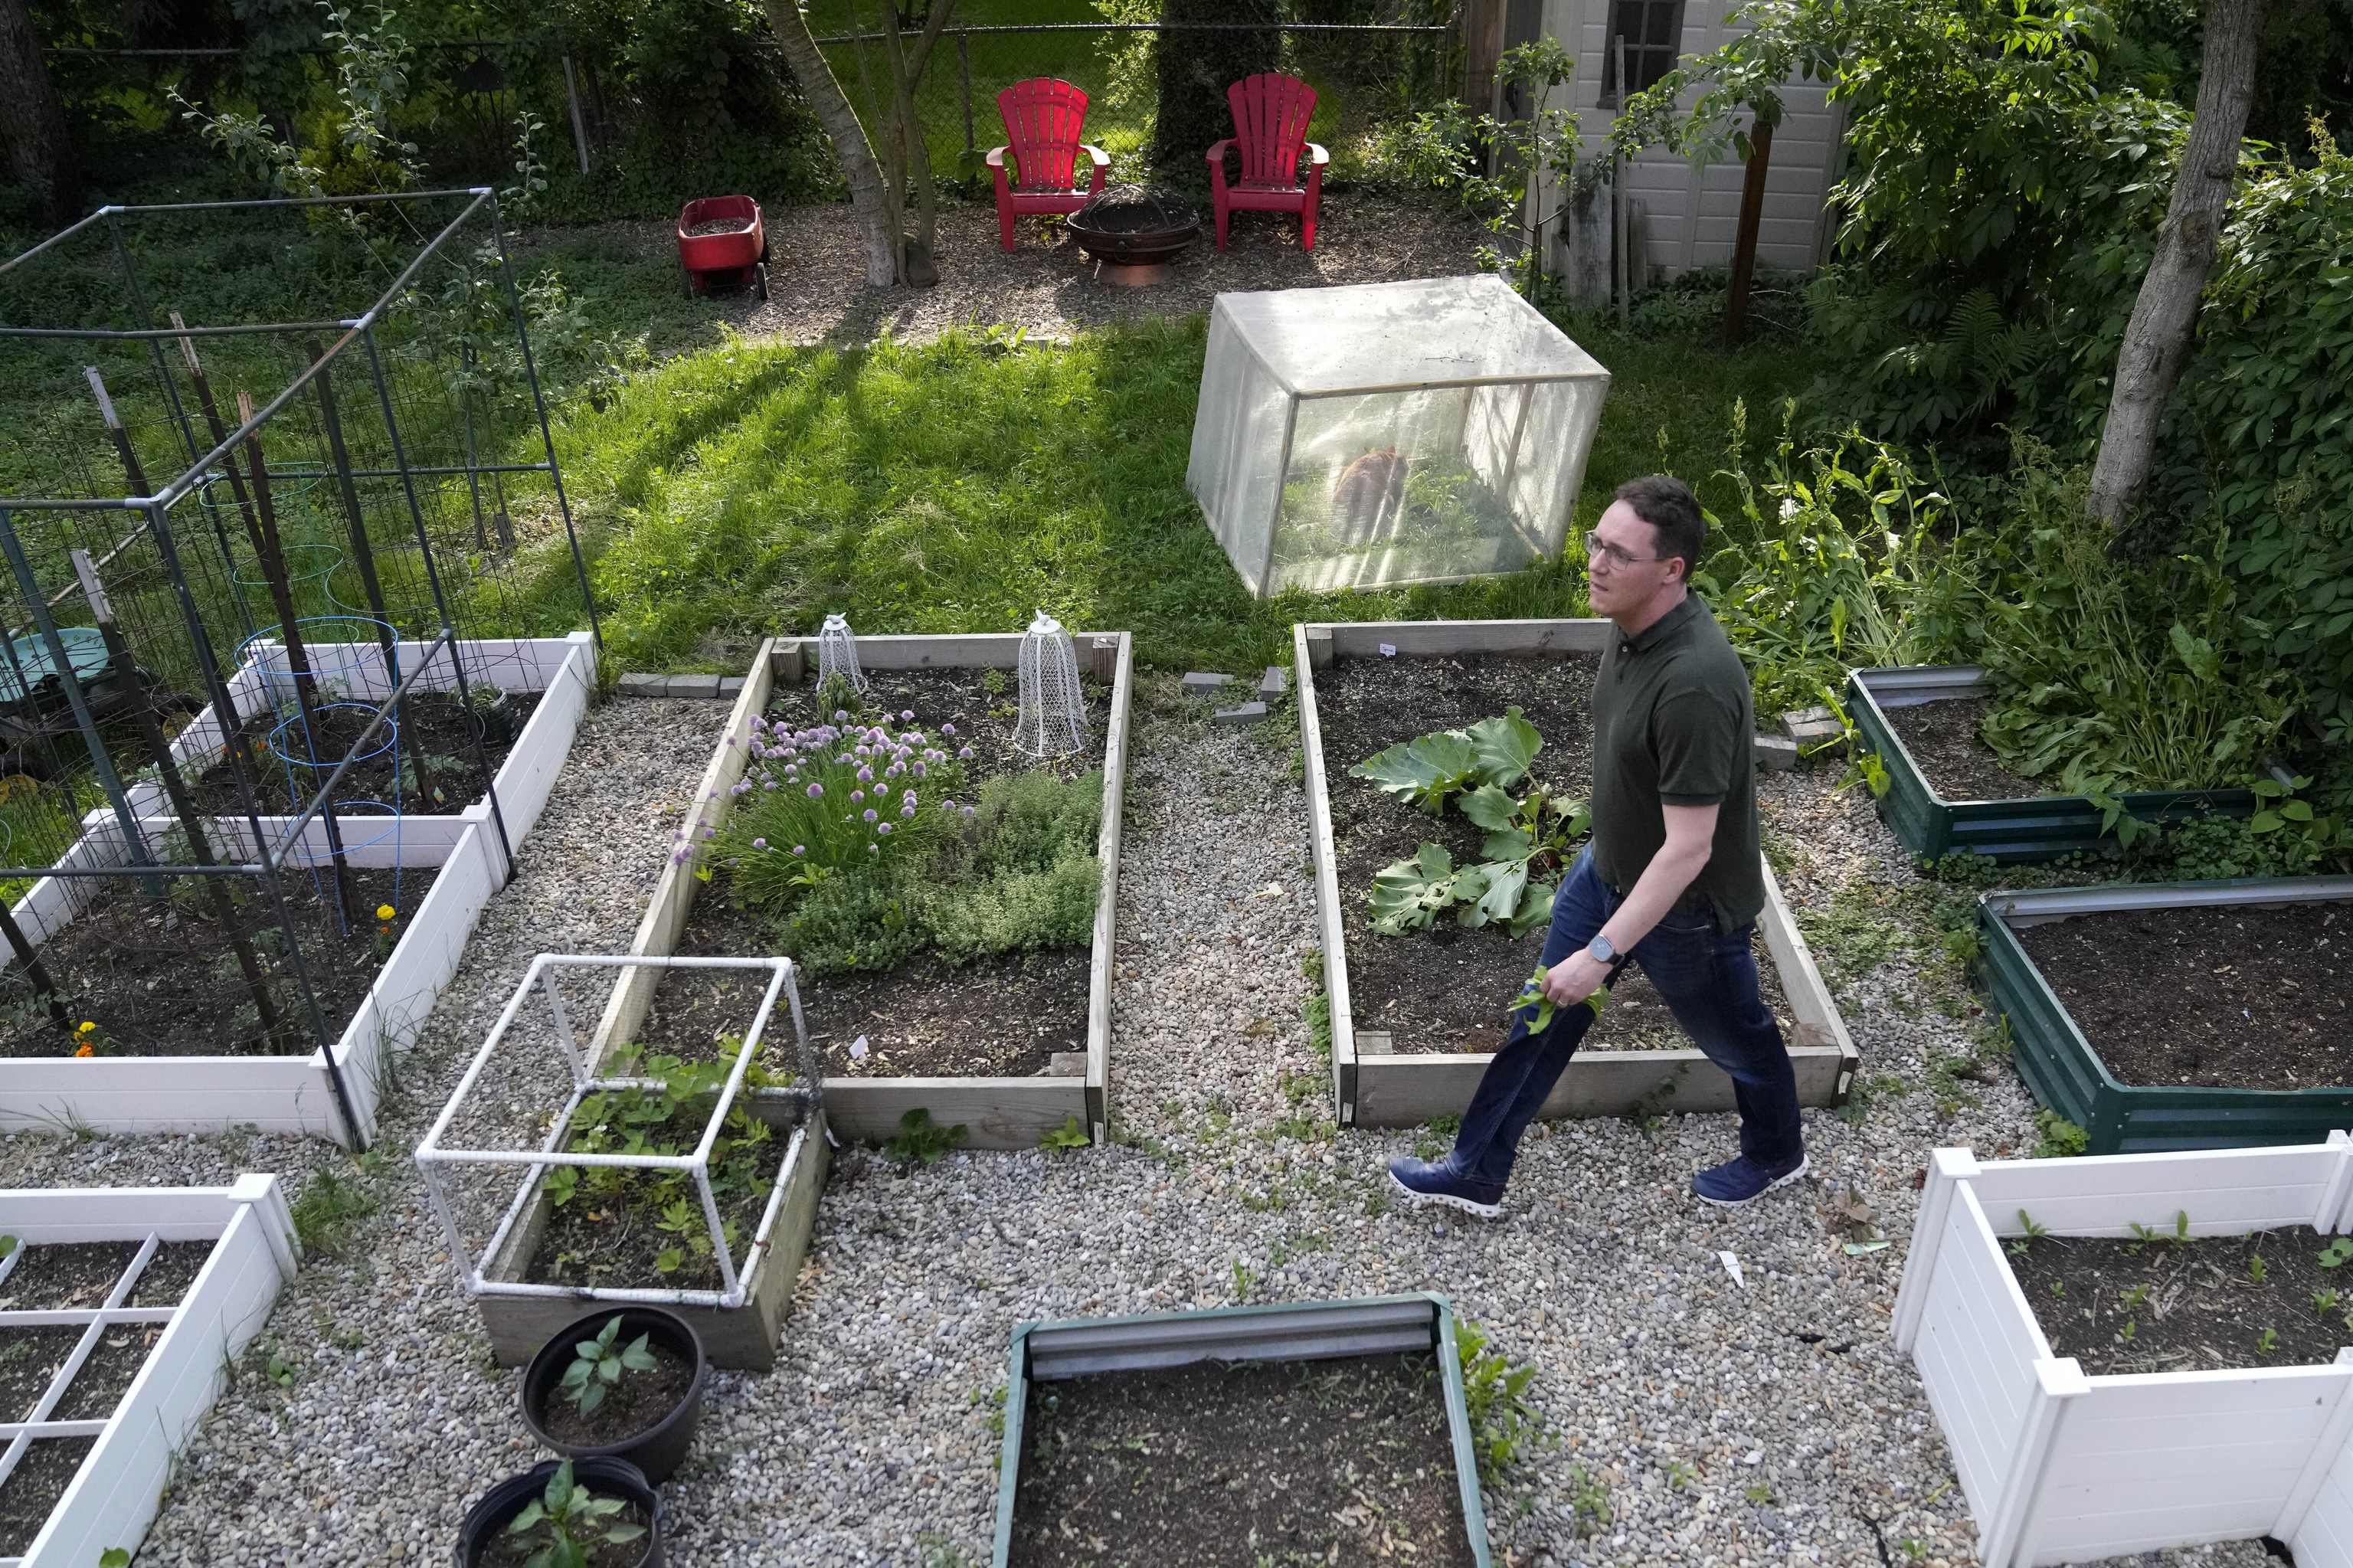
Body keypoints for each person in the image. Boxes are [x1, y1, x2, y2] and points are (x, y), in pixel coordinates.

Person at [1386, 474, 1807, 1216]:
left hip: (1689, 910)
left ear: (1671, 570)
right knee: (1542, 1014)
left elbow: (1689, 848)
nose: (1596, 563)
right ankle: (1476, 1169)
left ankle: (1776, 1152)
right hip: (1608, 868)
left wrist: (1602, 954)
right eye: (1596, 542)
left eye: (1618, 552)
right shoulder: (1630, 623)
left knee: (1737, 1038)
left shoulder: (1695, 684)